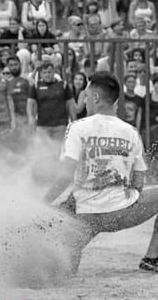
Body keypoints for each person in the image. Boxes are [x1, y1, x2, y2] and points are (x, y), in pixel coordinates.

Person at [44, 71, 158, 274]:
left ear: (95, 97)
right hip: (122, 213)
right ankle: (152, 258)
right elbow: (139, 182)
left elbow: (65, 177)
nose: (85, 101)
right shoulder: (130, 131)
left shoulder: (77, 127)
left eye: (86, 96)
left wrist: (42, 204)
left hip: (87, 216)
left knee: (63, 268)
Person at [27, 61, 76, 142]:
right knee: (43, 151)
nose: (47, 74)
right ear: (41, 74)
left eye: (49, 72)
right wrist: (30, 117)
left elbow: (70, 104)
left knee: (59, 150)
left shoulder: (63, 85)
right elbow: (30, 104)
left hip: (60, 125)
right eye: (44, 72)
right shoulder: (36, 86)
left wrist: (73, 121)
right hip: (42, 126)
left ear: (54, 72)